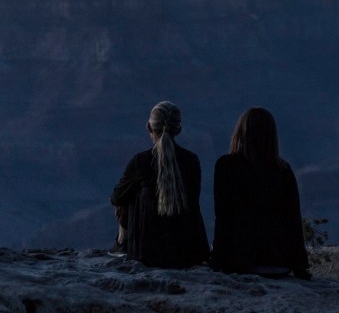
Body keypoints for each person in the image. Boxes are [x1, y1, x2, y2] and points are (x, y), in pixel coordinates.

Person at [210, 107, 311, 279]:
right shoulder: (283, 170)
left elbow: (223, 218)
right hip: (279, 264)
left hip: (240, 263)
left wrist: (216, 261)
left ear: (241, 132)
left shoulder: (226, 166)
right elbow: (293, 220)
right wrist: (300, 267)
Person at [109, 101, 209, 268]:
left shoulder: (141, 161)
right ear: (179, 129)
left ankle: (122, 242)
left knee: (126, 195)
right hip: (187, 250)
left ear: (149, 127)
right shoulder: (191, 160)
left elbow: (116, 197)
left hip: (147, 253)